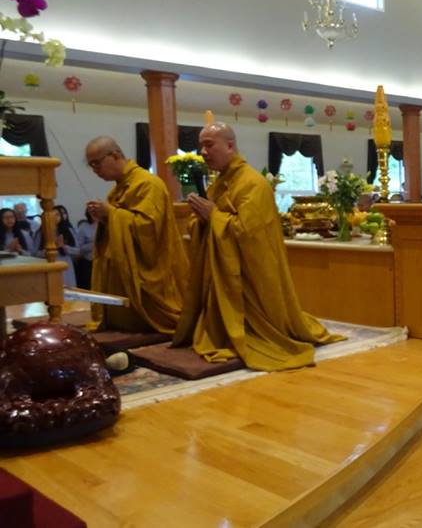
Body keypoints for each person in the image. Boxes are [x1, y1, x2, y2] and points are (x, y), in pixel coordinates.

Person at [172, 122, 342, 371]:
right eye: (201, 147)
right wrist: (201, 219)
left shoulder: (252, 183)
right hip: (227, 269)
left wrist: (214, 215)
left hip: (252, 272)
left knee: (264, 334)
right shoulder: (220, 183)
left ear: (230, 146)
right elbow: (218, 222)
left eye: (209, 145)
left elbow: (249, 233)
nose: (203, 153)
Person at [83, 137, 189, 333]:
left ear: (115, 155)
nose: (95, 170)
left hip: (148, 273)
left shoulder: (148, 184)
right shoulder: (117, 190)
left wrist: (112, 214)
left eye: (97, 163)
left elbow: (149, 228)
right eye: (91, 166)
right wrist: (105, 217)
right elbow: (118, 225)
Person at [74, 210, 96, 290]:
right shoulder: (83, 227)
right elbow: (78, 248)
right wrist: (93, 245)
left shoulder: (103, 225)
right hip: (87, 262)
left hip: (101, 262)